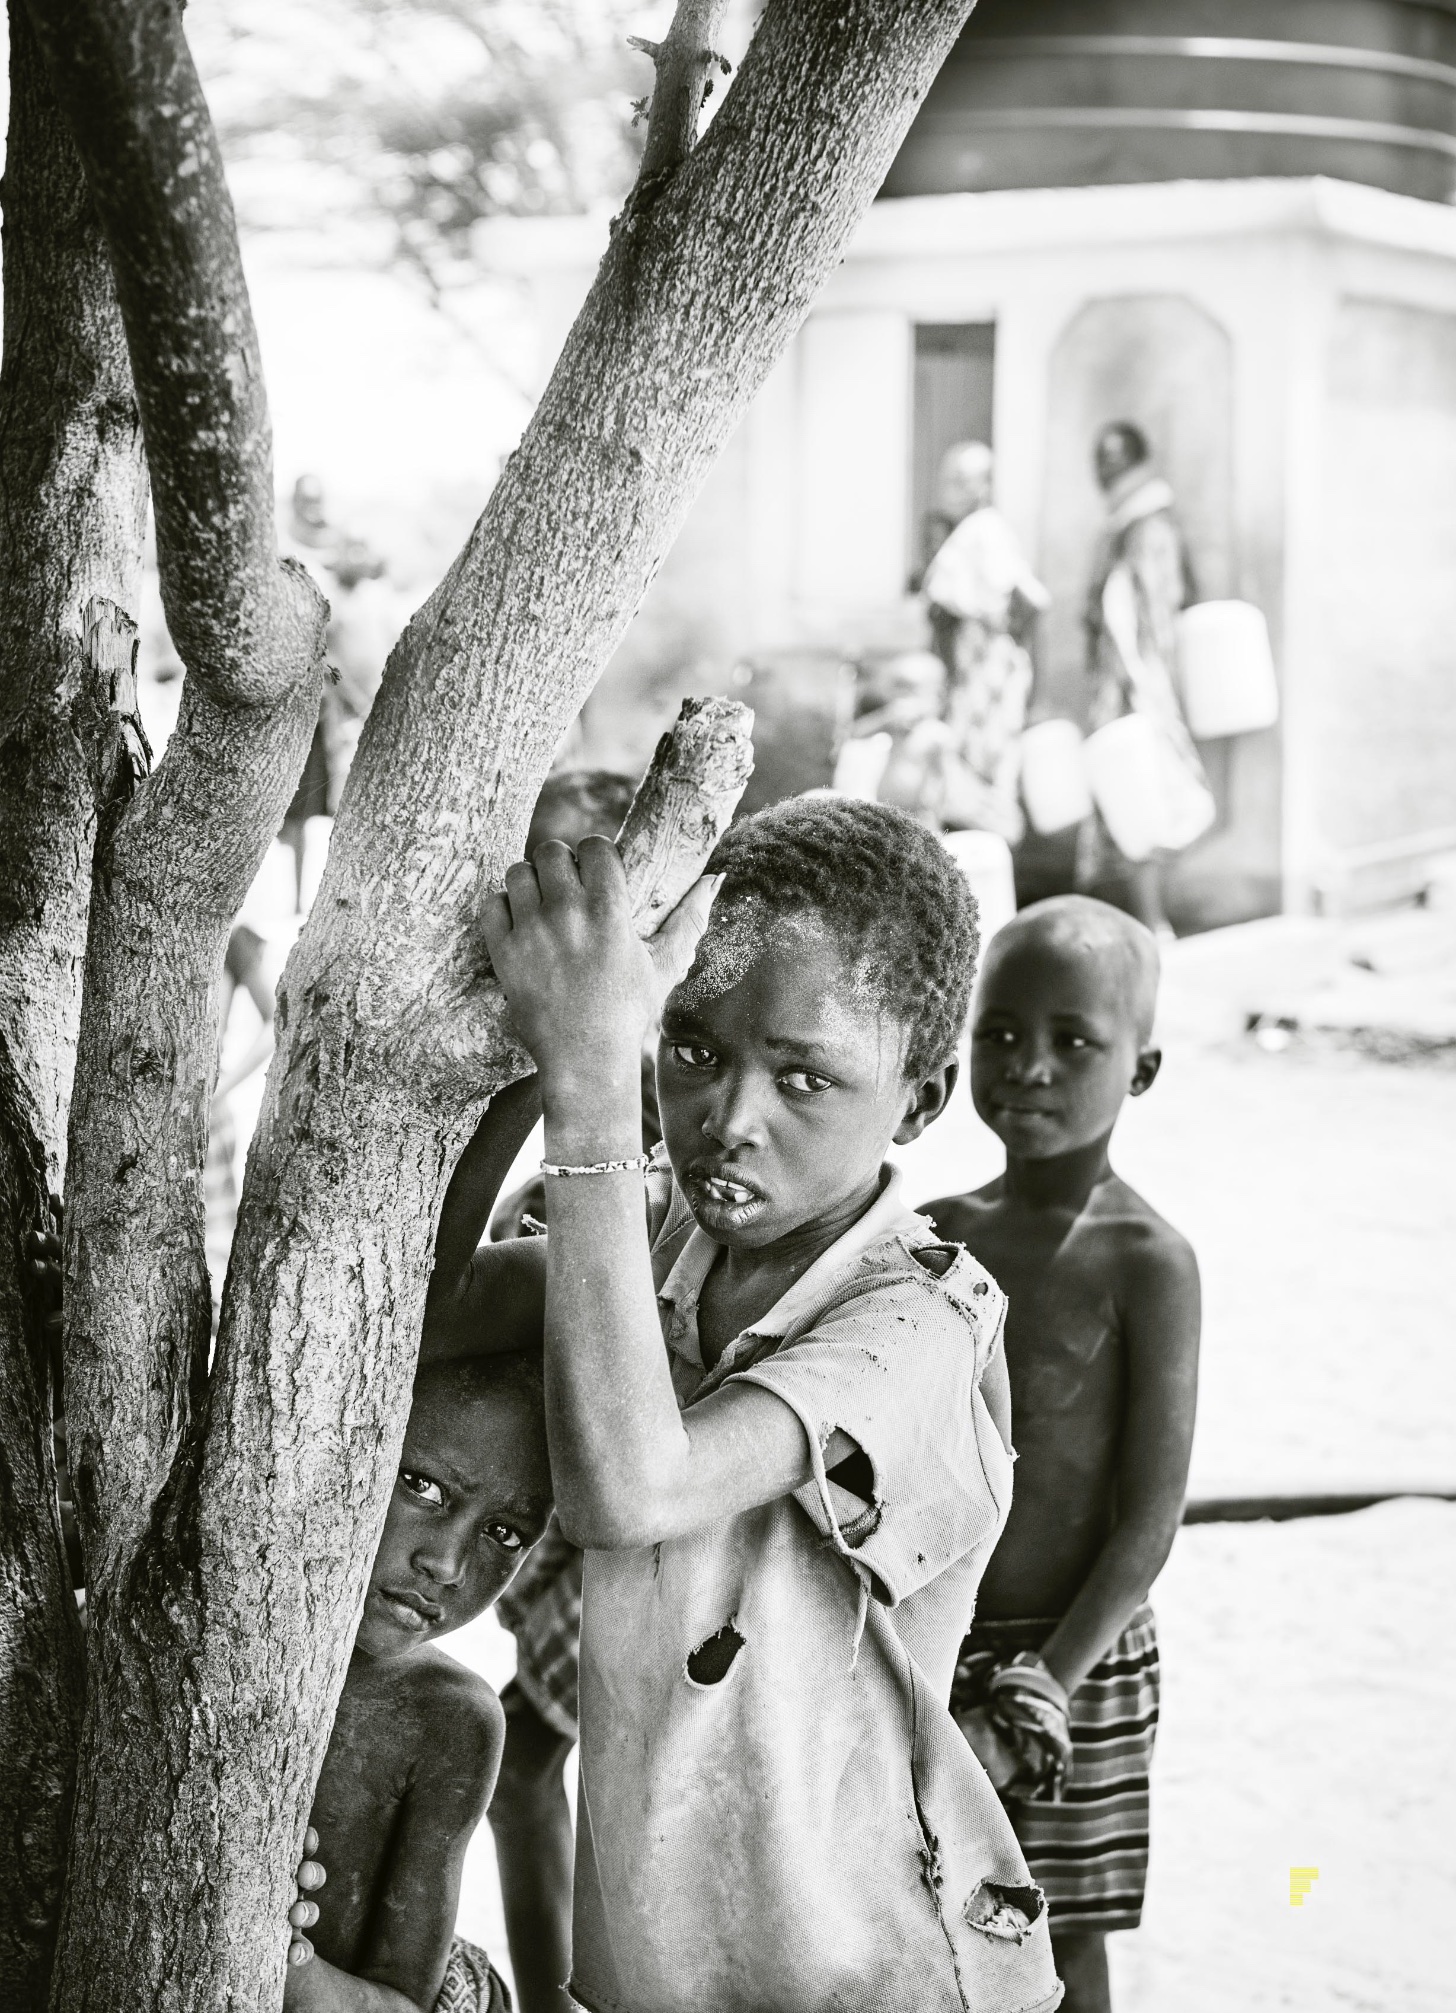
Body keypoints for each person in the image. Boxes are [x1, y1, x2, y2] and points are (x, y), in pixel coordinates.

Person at [480, 795, 1063, 2013]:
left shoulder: (922, 1319)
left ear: (916, 1098)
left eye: (805, 1077)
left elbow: (631, 1489)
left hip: (867, 1967)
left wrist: (590, 1089)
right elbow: (415, 1313)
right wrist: (516, 1056)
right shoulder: (644, 1243)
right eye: (691, 1049)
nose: (728, 1121)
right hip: (667, 1958)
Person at [919, 896, 1201, 2013]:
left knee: (1054, 1941)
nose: (1027, 1066)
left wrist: (1041, 1689)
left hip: (1078, 1665)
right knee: (923, 1916)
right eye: (998, 1033)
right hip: (936, 1640)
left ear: (1141, 1069)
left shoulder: (1148, 1262)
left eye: (1073, 1040)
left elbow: (1145, 1526)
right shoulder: (936, 1232)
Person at [284, 1122, 555, 2013]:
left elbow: (403, 2001)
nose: (445, 1563)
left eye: (507, 1535)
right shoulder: (171, 1604)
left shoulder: (450, 1723)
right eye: (424, 1486)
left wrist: (283, 1965)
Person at [481, 767, 641, 2013]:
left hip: (645, 1519)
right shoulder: (507, 1086)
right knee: (529, 1755)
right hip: (565, 1516)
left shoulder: (656, 1099)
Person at [1079, 422, 1214, 934]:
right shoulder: (1127, 524)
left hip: (1136, 685)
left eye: (1114, 458)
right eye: (1100, 457)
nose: (1104, 469)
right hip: (1127, 682)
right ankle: (1136, 918)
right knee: (1128, 796)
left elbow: (1137, 620)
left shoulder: (1145, 527)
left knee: (1141, 794)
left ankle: (1152, 920)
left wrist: (1132, 684)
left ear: (1137, 460)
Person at [922, 441, 1050, 843]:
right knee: (965, 778)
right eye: (948, 480)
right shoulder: (967, 532)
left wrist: (1000, 644)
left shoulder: (984, 529)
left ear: (983, 486)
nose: (951, 490)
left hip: (988, 683)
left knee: (982, 781)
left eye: (961, 481)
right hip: (978, 680)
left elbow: (1029, 602)